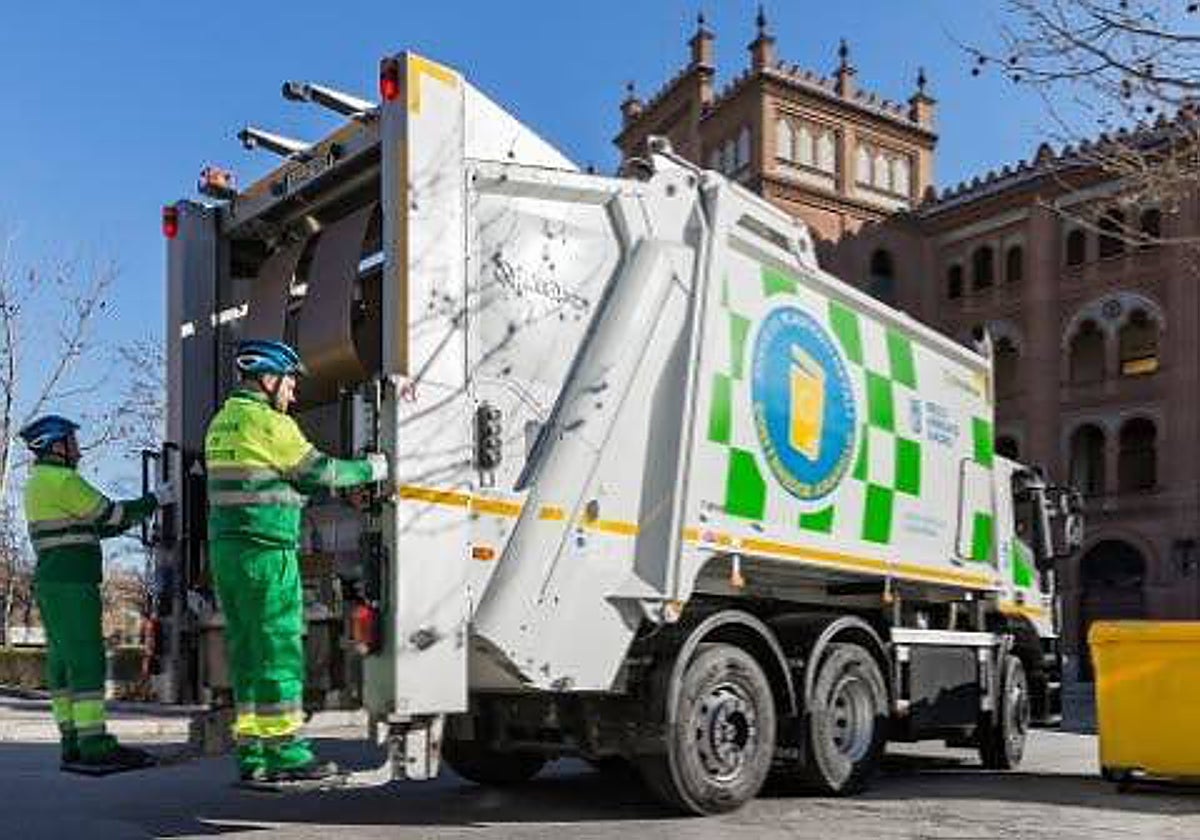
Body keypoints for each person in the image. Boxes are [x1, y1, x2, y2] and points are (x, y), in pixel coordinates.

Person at [204, 340, 388, 783]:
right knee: (280, 648)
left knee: (248, 652)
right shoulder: (271, 424)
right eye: (289, 382)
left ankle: (254, 754)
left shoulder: (222, 423)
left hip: (229, 555)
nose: (293, 393)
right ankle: (286, 751)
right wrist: (371, 469)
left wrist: (314, 490)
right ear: (268, 379)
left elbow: (265, 482)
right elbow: (319, 470)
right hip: (268, 554)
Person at [20, 414, 171, 772]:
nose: (78, 449)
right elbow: (111, 514)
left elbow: (89, 528)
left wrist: (117, 522)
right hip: (73, 583)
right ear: (55, 446)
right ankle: (94, 745)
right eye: (72, 441)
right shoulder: (63, 481)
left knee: (62, 663)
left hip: (52, 581)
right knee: (87, 660)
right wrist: (155, 500)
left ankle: (71, 741)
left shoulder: (37, 483)